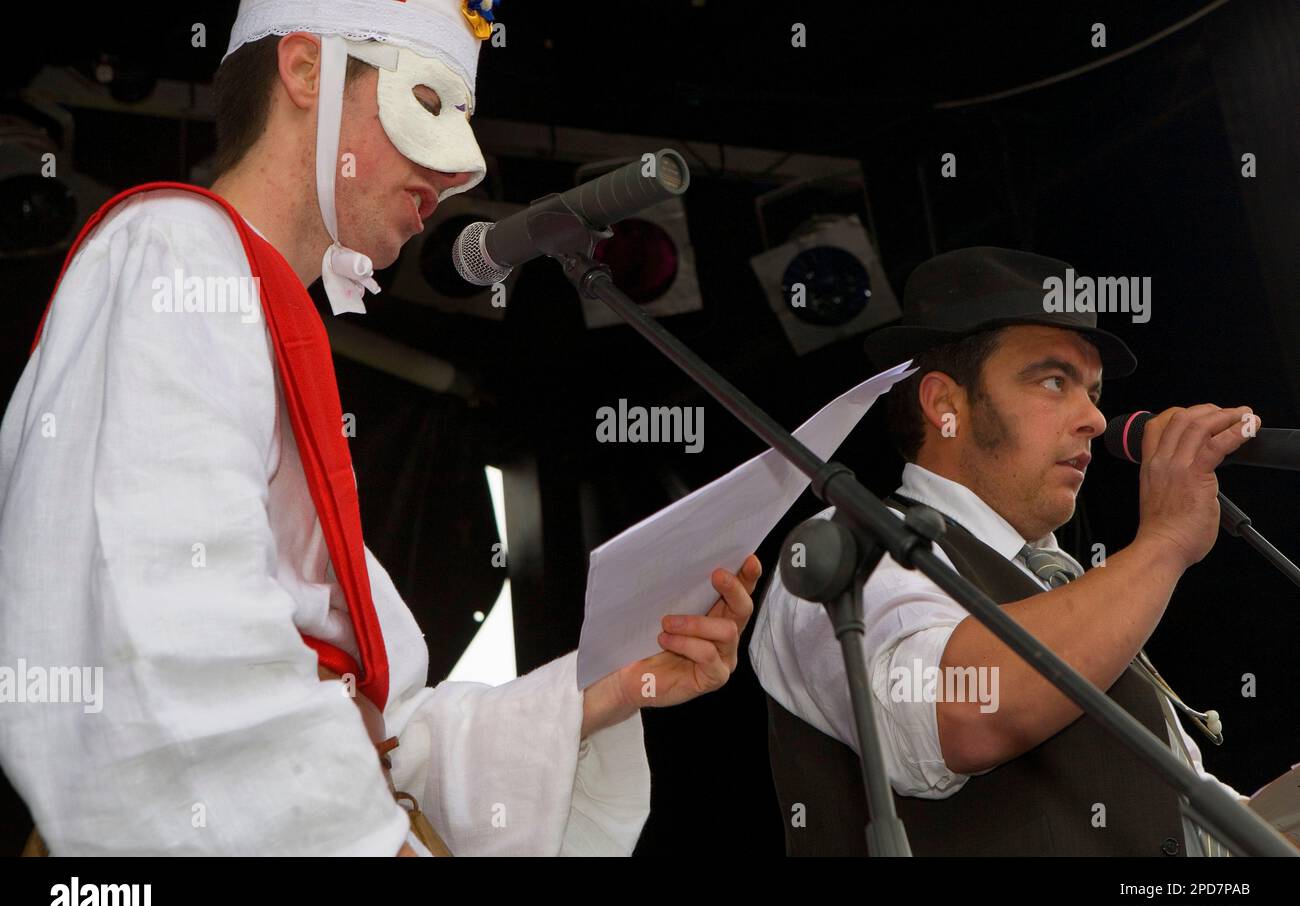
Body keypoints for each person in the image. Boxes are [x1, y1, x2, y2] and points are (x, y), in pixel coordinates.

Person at [0, 0, 761, 856]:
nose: (459, 172)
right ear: (305, 70)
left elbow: (385, 735)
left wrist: (606, 695)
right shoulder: (173, 256)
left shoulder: (258, 317)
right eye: (428, 105)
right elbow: (166, 642)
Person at [752, 246, 1253, 856]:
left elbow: (1182, 815)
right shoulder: (847, 544)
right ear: (945, 406)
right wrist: (1165, 543)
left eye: (1092, 391)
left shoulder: (1063, 583)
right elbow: (968, 710)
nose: (1095, 418)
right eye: (1053, 381)